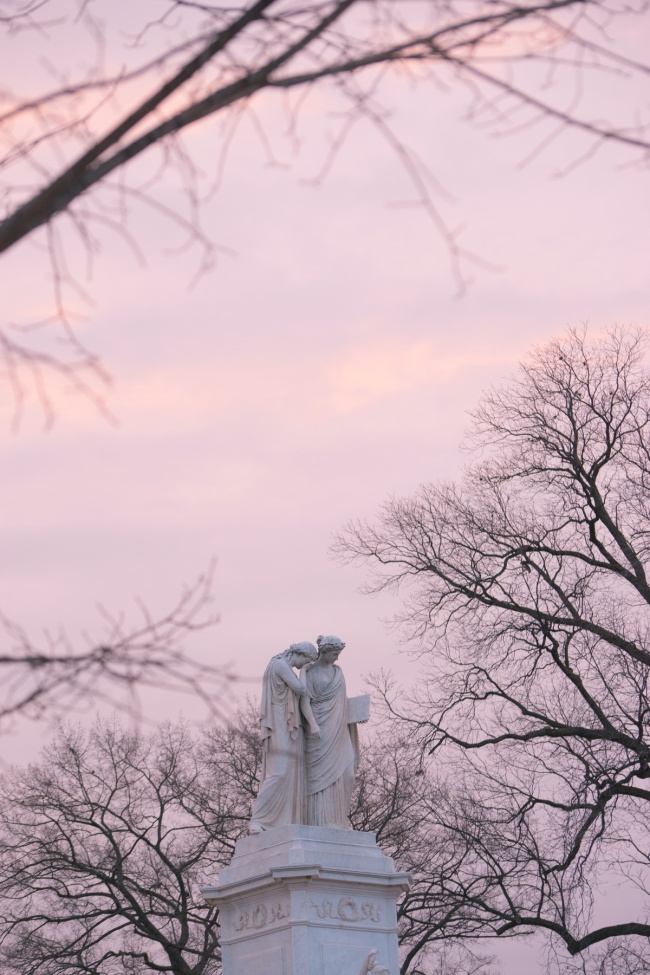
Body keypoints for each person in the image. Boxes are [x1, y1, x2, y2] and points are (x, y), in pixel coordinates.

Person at [249, 641, 319, 833]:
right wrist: (304, 671)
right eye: (307, 660)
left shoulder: (280, 664)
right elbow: (300, 688)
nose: (305, 664)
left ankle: (282, 820)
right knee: (278, 772)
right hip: (279, 721)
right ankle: (259, 819)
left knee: (288, 771)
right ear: (300, 654)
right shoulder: (280, 664)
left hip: (286, 722)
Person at [301, 635, 357, 828]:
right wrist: (313, 724)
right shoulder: (309, 673)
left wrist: (357, 714)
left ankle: (339, 819)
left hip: (339, 729)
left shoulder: (338, 672)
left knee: (348, 774)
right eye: (334, 653)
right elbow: (304, 701)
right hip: (319, 729)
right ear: (324, 652)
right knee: (320, 777)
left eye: (338, 654)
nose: (337, 658)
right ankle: (321, 823)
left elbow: (342, 701)